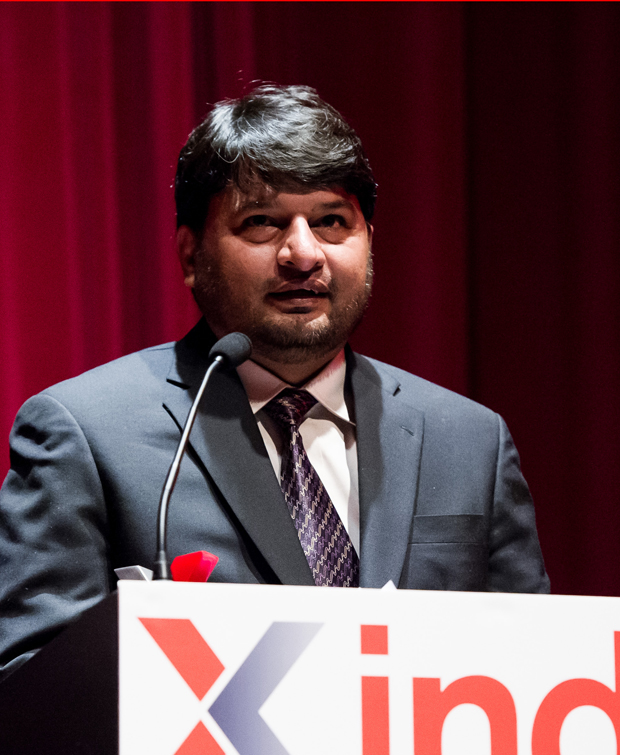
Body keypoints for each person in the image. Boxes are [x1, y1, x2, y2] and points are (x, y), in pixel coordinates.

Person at [0, 84, 549, 681]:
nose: (303, 254)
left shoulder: (469, 441)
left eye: (332, 221)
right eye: (261, 223)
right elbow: (31, 684)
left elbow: (537, 668)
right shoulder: (87, 433)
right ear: (190, 256)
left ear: (369, 245)